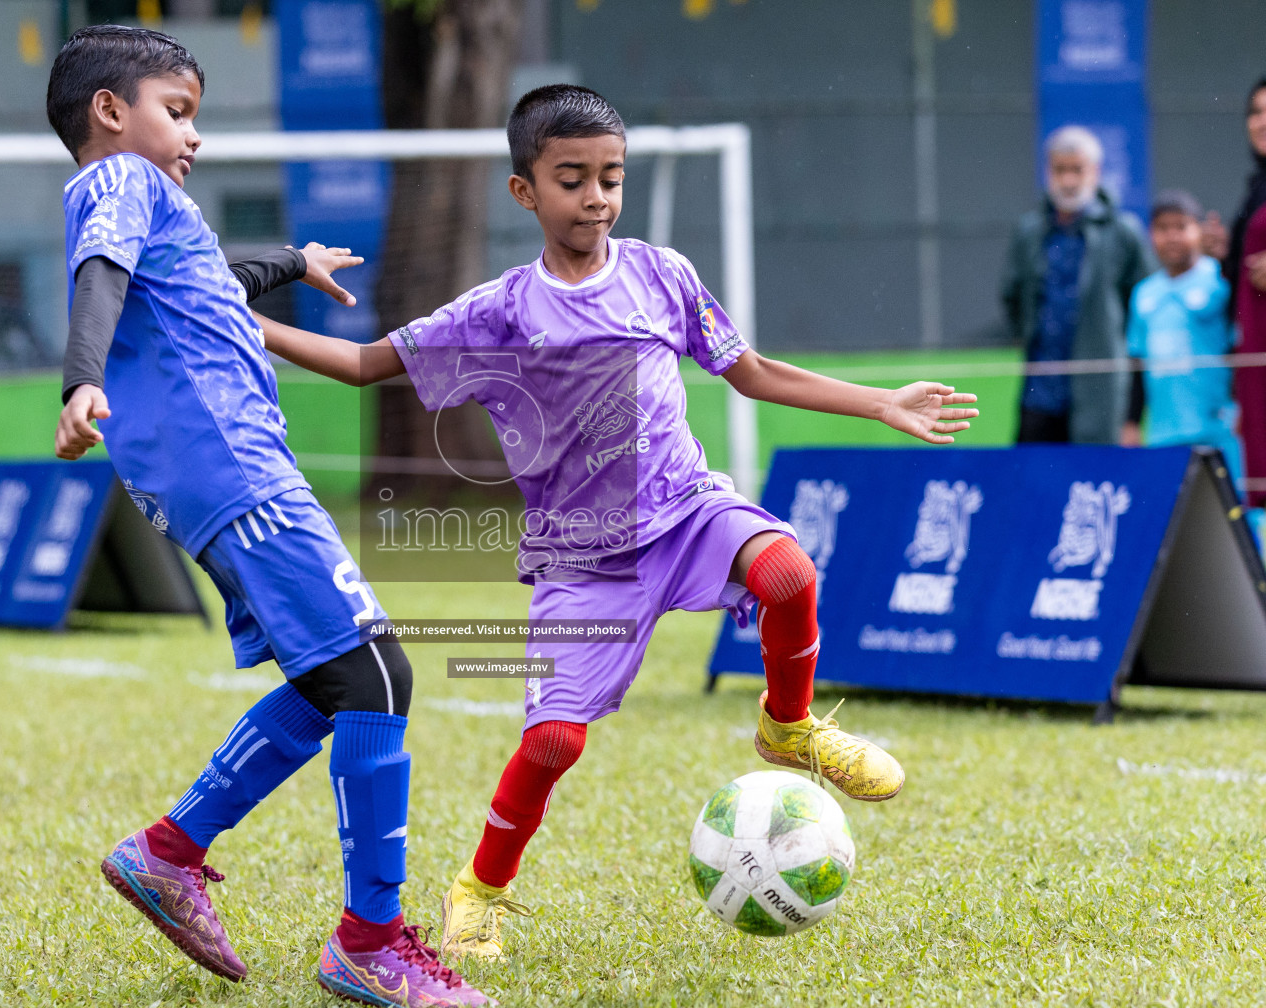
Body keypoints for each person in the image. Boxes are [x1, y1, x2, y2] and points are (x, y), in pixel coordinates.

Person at [255, 84, 978, 961]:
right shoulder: (500, 311)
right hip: (581, 561)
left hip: (685, 511)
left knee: (789, 573)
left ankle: (788, 727)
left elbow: (748, 372)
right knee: (554, 742)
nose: (596, 197)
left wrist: (879, 403)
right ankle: (479, 889)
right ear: (526, 191)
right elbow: (368, 363)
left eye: (611, 177)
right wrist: (247, 323)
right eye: (572, 179)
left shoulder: (661, 273)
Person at [45, 25, 488, 1008]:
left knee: (335, 680)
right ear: (111, 114)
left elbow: (204, 281)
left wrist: (293, 260)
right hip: (233, 468)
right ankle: (369, 942)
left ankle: (167, 855)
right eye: (179, 110)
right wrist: (80, 381)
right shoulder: (120, 184)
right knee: (377, 671)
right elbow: (103, 279)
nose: (193, 134)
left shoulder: (154, 206)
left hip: (221, 474)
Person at [1001, 125, 1156, 444]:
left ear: (1096, 172)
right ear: (1048, 172)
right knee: (1033, 480)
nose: (1068, 180)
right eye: (1060, 170)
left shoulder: (1122, 231)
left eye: (1077, 170)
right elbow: (1013, 295)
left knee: (1096, 480)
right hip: (1040, 389)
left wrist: (1132, 412)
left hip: (1100, 389)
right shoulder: (1030, 231)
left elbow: (1143, 308)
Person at [1123, 189, 1242, 482]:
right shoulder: (1144, 294)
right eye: (1163, 228)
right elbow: (1137, 362)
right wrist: (1131, 422)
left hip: (1218, 427)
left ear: (1200, 231)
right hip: (1164, 431)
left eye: (1181, 227)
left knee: (1233, 512)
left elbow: (1239, 348)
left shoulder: (1221, 279)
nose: (1172, 236)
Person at [1203, 78, 1266, 508]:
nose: (1261, 121)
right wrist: (1226, 255)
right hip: (1253, 361)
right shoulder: (1255, 188)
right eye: (1255, 112)